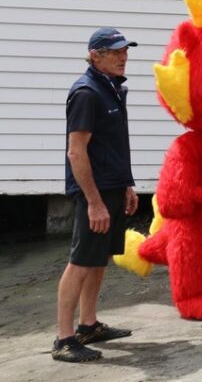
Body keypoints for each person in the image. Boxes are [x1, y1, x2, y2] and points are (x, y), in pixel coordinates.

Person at [53, 27, 139, 363]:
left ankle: (88, 325)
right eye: (115, 51)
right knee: (80, 261)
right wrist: (93, 201)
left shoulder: (112, 89)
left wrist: (127, 185)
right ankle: (64, 339)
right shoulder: (87, 92)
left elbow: (113, 145)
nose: (123, 56)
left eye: (125, 50)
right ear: (95, 56)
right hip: (96, 193)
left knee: (99, 258)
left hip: (113, 188)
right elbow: (77, 152)